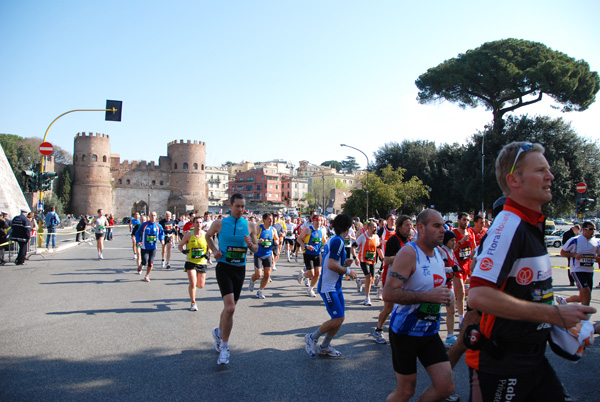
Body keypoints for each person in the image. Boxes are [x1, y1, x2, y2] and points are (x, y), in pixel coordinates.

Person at [467, 141, 595, 401]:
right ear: (514, 179)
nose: (550, 176)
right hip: (506, 364)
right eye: (540, 170)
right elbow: (479, 296)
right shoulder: (509, 226)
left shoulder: (531, 223)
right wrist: (555, 314)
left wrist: (560, 314)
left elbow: (526, 290)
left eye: (547, 169)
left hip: (533, 357)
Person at [382, 209, 455, 402]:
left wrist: (447, 296)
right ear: (421, 228)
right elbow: (388, 293)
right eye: (437, 226)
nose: (443, 230)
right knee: (406, 391)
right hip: (405, 333)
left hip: (429, 332)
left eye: (443, 226)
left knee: (445, 386)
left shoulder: (439, 253)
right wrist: (427, 296)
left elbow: (435, 286)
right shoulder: (409, 253)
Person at [205, 193, 258, 365]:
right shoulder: (220, 223)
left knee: (230, 309)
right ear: (230, 205)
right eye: (237, 206)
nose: (241, 210)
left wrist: (251, 245)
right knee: (230, 307)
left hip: (239, 270)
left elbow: (256, 249)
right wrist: (214, 250)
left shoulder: (250, 225)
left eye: (243, 206)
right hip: (224, 268)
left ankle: (219, 332)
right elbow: (208, 236)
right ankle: (225, 347)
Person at [304, 214, 357, 358]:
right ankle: (312, 337)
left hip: (335, 285)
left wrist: (343, 263)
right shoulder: (338, 242)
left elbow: (327, 260)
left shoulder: (334, 240)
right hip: (328, 287)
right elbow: (330, 264)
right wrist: (348, 271)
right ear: (348, 227)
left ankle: (325, 346)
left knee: (340, 318)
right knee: (338, 318)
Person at [370, 215, 413, 344]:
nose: (410, 227)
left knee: (405, 306)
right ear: (399, 227)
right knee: (389, 308)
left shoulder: (409, 240)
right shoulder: (393, 240)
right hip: (390, 278)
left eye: (410, 225)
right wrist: (402, 256)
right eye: (407, 225)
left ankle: (401, 332)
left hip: (404, 279)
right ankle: (378, 330)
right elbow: (386, 259)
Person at [558, 221, 599, 306]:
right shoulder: (574, 240)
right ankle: (584, 316)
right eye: (591, 229)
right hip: (577, 270)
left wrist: (598, 259)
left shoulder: (596, 242)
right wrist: (574, 255)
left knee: (583, 296)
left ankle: (564, 301)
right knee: (586, 293)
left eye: (594, 229)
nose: (593, 231)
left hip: (589, 270)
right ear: (584, 229)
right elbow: (562, 252)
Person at [178, 216, 208, 311]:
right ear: (193, 224)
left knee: (201, 285)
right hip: (191, 262)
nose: (199, 224)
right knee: (193, 282)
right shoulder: (188, 235)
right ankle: (193, 302)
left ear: (202, 224)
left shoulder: (205, 235)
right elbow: (180, 246)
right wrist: (183, 251)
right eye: (197, 222)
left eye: (200, 222)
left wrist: (208, 253)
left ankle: (192, 288)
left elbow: (210, 246)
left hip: (202, 262)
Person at [452, 212, 475, 326]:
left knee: (473, 289)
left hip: (467, 266)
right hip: (457, 267)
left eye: (468, 220)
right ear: (459, 220)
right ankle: (461, 319)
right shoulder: (453, 233)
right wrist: (461, 241)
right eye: (464, 220)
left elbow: (474, 249)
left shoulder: (471, 233)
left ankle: (453, 297)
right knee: (461, 292)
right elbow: (450, 249)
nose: (466, 222)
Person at [353, 220, 383, 306]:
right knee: (369, 278)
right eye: (374, 227)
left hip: (372, 261)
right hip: (363, 260)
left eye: (376, 227)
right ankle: (367, 298)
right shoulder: (363, 236)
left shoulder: (376, 237)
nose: (375, 228)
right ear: (369, 228)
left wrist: (383, 259)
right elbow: (354, 246)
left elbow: (378, 249)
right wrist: (355, 258)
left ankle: (360, 282)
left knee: (371, 281)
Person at [297, 214, 327, 297]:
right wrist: (306, 246)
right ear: (313, 221)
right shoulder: (308, 230)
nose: (318, 222)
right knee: (311, 274)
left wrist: (327, 246)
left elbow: (324, 240)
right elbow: (299, 239)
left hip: (318, 254)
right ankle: (302, 275)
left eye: (320, 220)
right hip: (308, 254)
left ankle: (310, 289)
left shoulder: (323, 230)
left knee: (318, 274)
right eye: (317, 220)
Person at [248, 213, 278, 299]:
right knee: (258, 275)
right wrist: (257, 240)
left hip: (268, 254)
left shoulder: (273, 230)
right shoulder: (259, 228)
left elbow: (276, 239)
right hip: (258, 254)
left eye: (272, 219)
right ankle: (252, 280)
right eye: (269, 219)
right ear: (264, 220)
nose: (271, 220)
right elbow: (250, 238)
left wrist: (277, 241)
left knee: (267, 275)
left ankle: (260, 291)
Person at [439, 231, 459, 347]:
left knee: (452, 310)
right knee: (435, 313)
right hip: (441, 285)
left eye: (454, 240)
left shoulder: (451, 251)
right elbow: (439, 268)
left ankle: (450, 336)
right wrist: (451, 269)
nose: (454, 242)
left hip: (449, 284)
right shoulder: (442, 252)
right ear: (446, 241)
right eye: (452, 240)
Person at [135, 211, 165, 282]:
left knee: (151, 262)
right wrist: (138, 241)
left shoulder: (158, 226)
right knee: (145, 261)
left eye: (154, 215)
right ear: (149, 216)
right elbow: (137, 233)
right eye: (152, 215)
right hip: (144, 247)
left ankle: (147, 275)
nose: (153, 217)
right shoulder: (144, 225)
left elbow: (161, 234)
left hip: (153, 247)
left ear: (156, 216)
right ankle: (141, 265)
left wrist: (162, 240)